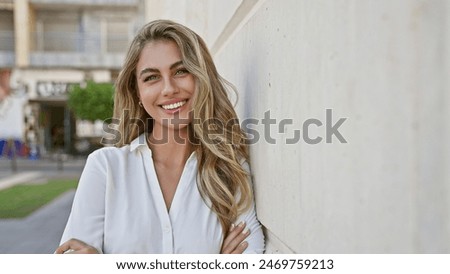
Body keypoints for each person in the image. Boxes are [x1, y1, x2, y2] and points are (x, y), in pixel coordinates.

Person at [55, 19, 264, 254]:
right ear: (137, 92)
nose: (169, 89)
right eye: (152, 77)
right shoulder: (105, 168)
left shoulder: (229, 170)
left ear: (202, 79)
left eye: (181, 71)